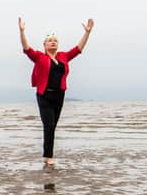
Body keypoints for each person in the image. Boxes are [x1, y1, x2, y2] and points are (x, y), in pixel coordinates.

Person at [20, 17, 94, 165]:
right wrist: (22, 32)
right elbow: (27, 49)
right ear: (45, 45)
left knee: (53, 126)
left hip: (59, 96)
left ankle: (48, 155)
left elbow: (78, 49)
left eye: (55, 40)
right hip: (44, 95)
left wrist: (87, 33)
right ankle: (48, 157)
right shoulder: (40, 57)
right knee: (48, 126)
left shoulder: (63, 57)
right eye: (50, 40)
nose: (53, 42)